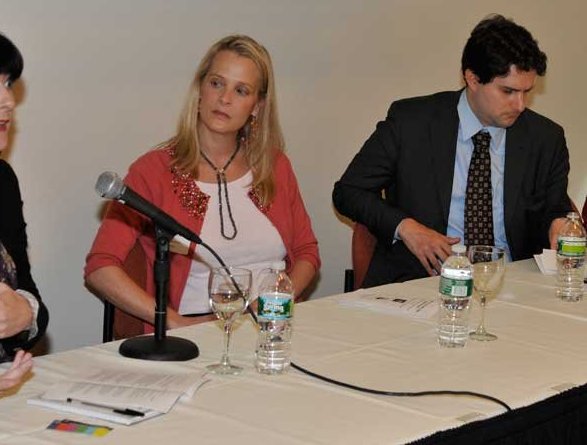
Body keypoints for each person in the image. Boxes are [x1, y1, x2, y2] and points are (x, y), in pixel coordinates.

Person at [85, 35, 320, 333]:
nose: (225, 99)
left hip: (273, 327)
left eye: (241, 90)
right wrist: (171, 321)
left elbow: (307, 253)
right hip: (194, 332)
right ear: (200, 89)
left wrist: (277, 303)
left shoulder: (274, 166)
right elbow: (100, 267)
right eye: (216, 83)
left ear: (257, 107)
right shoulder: (153, 171)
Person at [333, 14, 572, 287]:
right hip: (423, 281)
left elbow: (554, 207)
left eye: (526, 92)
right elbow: (348, 192)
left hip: (512, 284)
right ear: (472, 78)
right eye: (508, 91)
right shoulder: (412, 123)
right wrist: (407, 227)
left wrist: (557, 223)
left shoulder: (545, 138)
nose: (520, 105)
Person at [0, 32, 49, 389]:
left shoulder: (2, 179)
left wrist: (25, 312)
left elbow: (33, 298)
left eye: (8, 84)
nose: (8, 102)